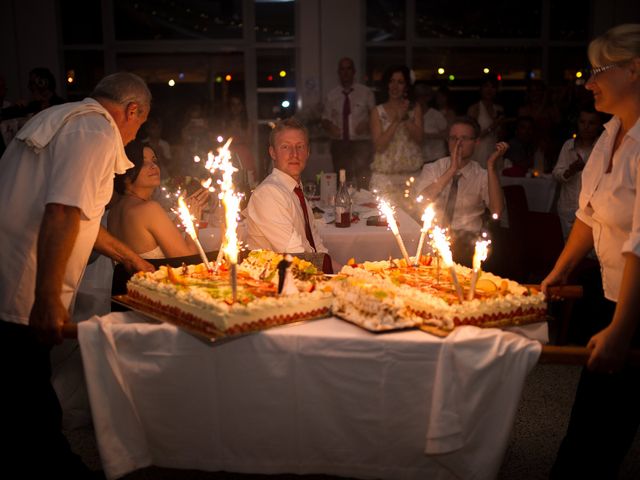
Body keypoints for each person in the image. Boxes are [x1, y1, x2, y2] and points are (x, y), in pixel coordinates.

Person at [0, 72, 155, 477]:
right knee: (31, 399)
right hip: (23, 284)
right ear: (131, 110)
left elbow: (81, 217)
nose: (133, 137)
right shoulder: (96, 131)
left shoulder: (65, 117)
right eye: (138, 125)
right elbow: (63, 211)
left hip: (10, 274)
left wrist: (129, 258)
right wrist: (48, 300)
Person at [541, 24, 640, 479]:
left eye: (598, 69)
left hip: (634, 309)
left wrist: (622, 329)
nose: (588, 81)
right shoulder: (609, 133)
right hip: (612, 295)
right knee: (591, 425)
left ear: (635, 69)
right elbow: (588, 214)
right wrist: (560, 271)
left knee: (600, 430)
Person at [413, 117, 507, 266]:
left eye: (464, 138)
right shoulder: (433, 168)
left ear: (476, 142)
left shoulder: (482, 174)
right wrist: (451, 171)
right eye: (453, 138)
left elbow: (497, 211)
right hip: (433, 237)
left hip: (467, 241)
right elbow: (421, 200)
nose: (458, 144)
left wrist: (490, 167)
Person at [108, 139, 210, 259]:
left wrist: (180, 220)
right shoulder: (149, 209)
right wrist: (192, 222)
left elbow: (149, 241)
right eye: (143, 162)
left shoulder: (113, 212)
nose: (153, 166)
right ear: (126, 172)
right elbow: (187, 260)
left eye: (154, 160)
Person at [244, 118, 329, 258]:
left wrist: (347, 272)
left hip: (302, 273)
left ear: (307, 152)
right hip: (276, 278)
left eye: (300, 146)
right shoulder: (268, 194)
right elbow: (297, 255)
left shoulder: (295, 190)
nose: (294, 154)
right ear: (273, 153)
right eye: (285, 147)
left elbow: (317, 248)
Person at [369, 65, 424, 207]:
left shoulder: (415, 108)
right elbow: (379, 146)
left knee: (413, 223)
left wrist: (405, 117)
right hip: (384, 178)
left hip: (411, 176)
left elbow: (419, 139)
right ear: (387, 84)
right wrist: (396, 120)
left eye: (400, 82)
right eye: (392, 81)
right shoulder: (377, 111)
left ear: (406, 86)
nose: (395, 86)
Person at [322, 57, 376, 189]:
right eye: (342, 69)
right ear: (338, 72)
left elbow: (376, 115)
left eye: (348, 68)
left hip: (361, 142)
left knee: (363, 177)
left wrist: (367, 123)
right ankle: (343, 206)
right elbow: (325, 118)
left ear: (354, 71)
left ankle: (364, 206)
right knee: (342, 179)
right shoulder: (332, 95)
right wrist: (330, 126)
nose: (345, 72)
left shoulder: (366, 93)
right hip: (339, 143)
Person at [552, 107, 604, 240]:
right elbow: (556, 174)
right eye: (582, 122)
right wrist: (571, 170)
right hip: (568, 209)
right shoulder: (568, 145)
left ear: (599, 126)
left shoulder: (604, 147)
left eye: (591, 123)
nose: (586, 127)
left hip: (594, 211)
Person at [467, 75, 505, 169]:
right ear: (481, 89)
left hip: (495, 150)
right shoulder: (474, 109)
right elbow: (471, 136)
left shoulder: (499, 109)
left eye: (493, 87)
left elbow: (502, 136)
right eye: (486, 86)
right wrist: (493, 126)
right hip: (479, 152)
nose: (489, 90)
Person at [222, 94, 257, 185]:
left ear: (242, 107)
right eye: (233, 104)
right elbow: (222, 141)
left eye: (238, 104)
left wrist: (239, 131)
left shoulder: (247, 123)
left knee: (247, 182)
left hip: (243, 154)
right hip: (229, 155)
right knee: (231, 182)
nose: (236, 108)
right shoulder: (226, 123)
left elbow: (249, 141)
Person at [414, 82, 448, 164]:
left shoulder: (436, 114)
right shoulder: (411, 116)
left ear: (428, 98)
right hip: (419, 158)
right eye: (418, 97)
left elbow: (447, 133)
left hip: (436, 157)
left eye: (423, 96)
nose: (420, 100)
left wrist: (428, 136)